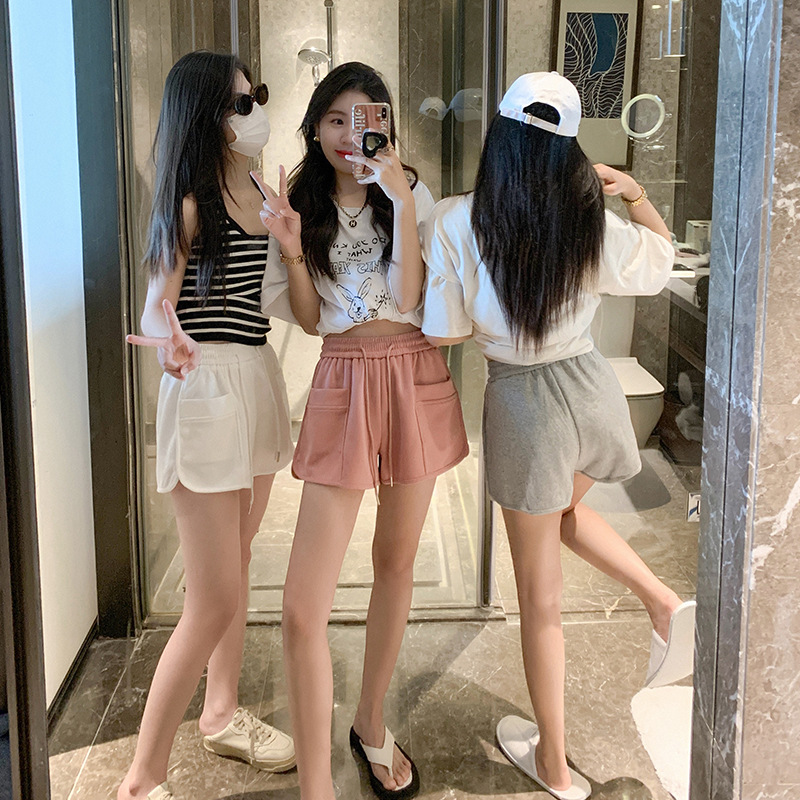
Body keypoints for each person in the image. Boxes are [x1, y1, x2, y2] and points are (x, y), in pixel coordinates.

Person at [420, 72, 696, 800]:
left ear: (501, 134)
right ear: (569, 150)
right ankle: (664, 603)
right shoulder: (587, 222)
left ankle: (553, 762)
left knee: (539, 600)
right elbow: (660, 262)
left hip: (524, 407)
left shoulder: (455, 220)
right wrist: (634, 192)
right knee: (567, 515)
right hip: (591, 389)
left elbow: (444, 332)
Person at [256, 61, 468, 800]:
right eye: (337, 119)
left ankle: (370, 721)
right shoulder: (301, 203)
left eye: (368, 116)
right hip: (344, 376)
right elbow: (309, 319)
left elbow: (410, 295)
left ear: (386, 123)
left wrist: (402, 200)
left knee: (395, 562)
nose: (353, 133)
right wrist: (290, 244)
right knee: (300, 606)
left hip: (412, 371)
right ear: (315, 128)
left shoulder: (411, 193)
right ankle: (317, 787)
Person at [120, 51, 296, 800]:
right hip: (207, 390)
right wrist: (173, 344)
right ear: (205, 116)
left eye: (257, 96)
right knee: (213, 598)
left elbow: (279, 298)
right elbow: (154, 310)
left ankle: (221, 712)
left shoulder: (261, 192)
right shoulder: (190, 204)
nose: (255, 111)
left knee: (239, 562)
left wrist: (292, 239)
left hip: (254, 378)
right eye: (239, 102)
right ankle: (141, 778)